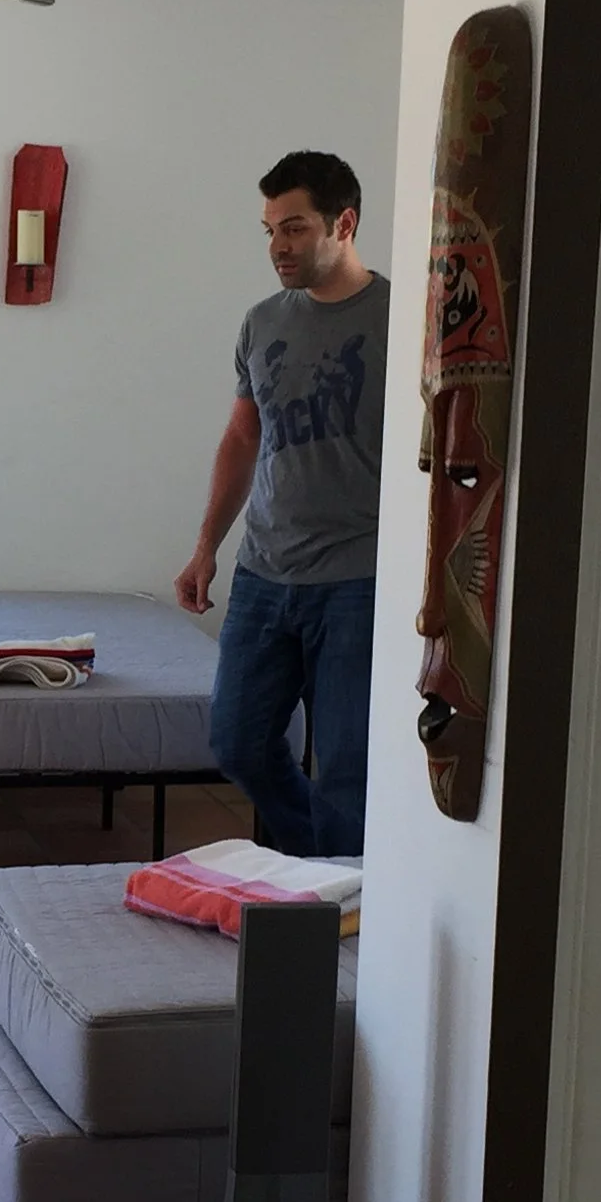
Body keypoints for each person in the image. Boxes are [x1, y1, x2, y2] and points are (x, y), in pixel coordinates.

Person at [175, 150, 386, 857]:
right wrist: (206, 547)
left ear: (343, 224)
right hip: (264, 572)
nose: (278, 247)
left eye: (294, 228)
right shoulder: (262, 322)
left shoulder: (399, 320)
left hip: (358, 578)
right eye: (269, 230)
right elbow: (243, 436)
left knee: (347, 770)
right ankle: (317, 868)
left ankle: (341, 904)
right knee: (237, 743)